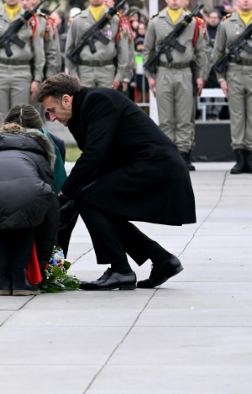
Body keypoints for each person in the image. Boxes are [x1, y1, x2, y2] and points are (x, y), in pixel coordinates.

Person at [38, 73, 195, 290]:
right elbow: (100, 160)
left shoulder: (98, 100)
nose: (52, 118)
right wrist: (73, 195)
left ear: (66, 99)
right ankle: (162, 260)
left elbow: (95, 154)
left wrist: (66, 193)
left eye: (52, 110)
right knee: (97, 205)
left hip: (155, 166)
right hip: (140, 166)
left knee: (89, 199)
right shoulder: (78, 114)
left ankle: (121, 270)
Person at [0, 113, 60, 296]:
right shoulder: (37, 155)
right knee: (27, 223)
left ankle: (4, 282)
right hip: (29, 196)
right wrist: (43, 257)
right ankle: (20, 282)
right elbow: (52, 204)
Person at [142, 0, 209, 171]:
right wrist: (150, 76)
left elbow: (201, 51)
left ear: (185, 0)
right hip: (163, 71)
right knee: (166, 118)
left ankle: (184, 154)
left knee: (185, 117)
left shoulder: (195, 22)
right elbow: (147, 51)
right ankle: (168, 154)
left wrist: (200, 75)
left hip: (185, 72)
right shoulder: (156, 21)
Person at [213, 0, 252, 173]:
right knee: (237, 116)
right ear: (238, 1)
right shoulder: (226, 23)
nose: (246, 0)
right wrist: (221, 79)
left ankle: (251, 156)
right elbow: (218, 52)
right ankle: (240, 157)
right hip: (235, 72)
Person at [65, 0, 131, 91]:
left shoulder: (115, 19)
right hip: (84, 72)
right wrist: (73, 75)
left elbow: (123, 49)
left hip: (107, 70)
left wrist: (120, 76)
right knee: (87, 106)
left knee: (106, 106)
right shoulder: (78, 20)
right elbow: (69, 49)